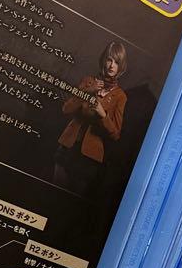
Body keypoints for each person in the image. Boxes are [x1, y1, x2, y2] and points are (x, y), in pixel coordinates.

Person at [54, 41, 128, 195]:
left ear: (121, 66)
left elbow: (115, 134)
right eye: (109, 60)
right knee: (53, 190)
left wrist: (103, 114)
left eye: (116, 62)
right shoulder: (88, 81)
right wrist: (87, 91)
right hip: (68, 146)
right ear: (103, 60)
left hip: (90, 156)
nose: (112, 66)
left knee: (72, 200)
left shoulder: (120, 96)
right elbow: (66, 109)